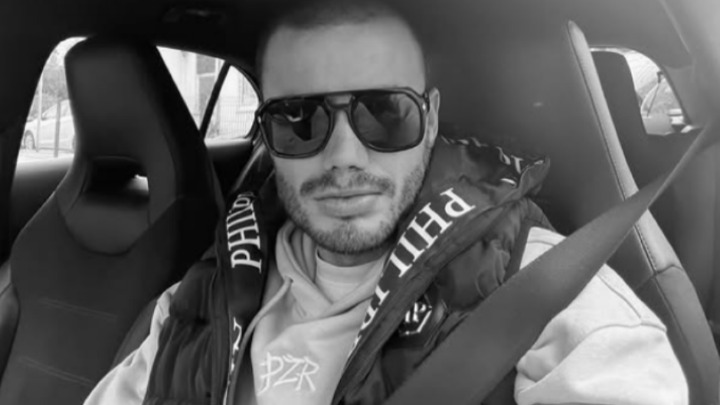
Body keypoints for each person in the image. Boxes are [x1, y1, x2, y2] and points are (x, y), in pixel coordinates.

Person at [84, 1, 688, 404]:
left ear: (430, 121)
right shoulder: (201, 292)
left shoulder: (546, 294)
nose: (344, 157)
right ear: (267, 137)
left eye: (384, 113)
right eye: (300, 120)